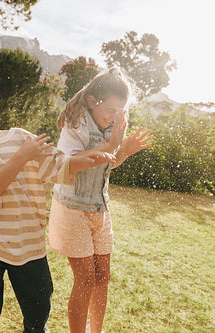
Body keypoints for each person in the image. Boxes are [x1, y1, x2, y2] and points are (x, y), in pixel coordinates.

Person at [0, 84, 119, 333]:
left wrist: (85, 160)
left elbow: (56, 164)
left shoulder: (21, 138)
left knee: (38, 313)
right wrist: (22, 157)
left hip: (30, 245)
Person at [48, 68, 153, 333]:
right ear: (94, 101)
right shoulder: (76, 124)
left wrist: (124, 150)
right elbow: (71, 164)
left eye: (122, 111)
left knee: (102, 277)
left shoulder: (112, 127)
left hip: (99, 208)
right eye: (112, 109)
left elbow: (108, 163)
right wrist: (111, 145)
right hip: (71, 208)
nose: (115, 117)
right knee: (85, 279)